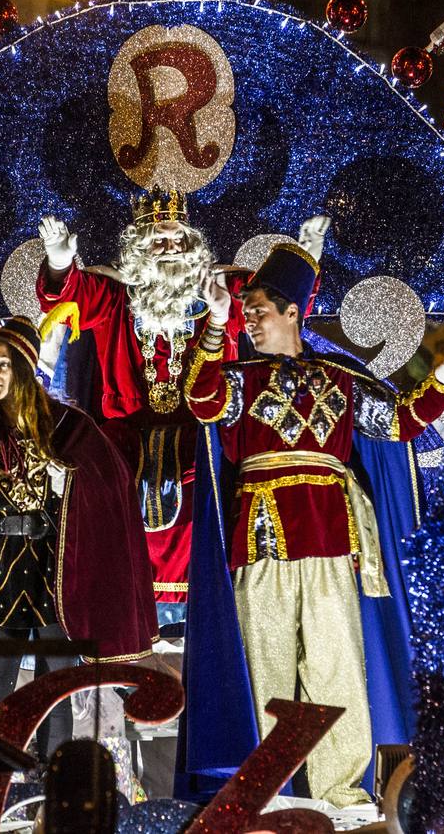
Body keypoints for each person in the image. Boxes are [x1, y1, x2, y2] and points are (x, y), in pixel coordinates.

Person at [181, 241, 444, 807]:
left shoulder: (340, 379)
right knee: (266, 670)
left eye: (258, 310)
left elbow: (398, 422)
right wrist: (214, 326)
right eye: (244, 311)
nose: (249, 321)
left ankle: (341, 795)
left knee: (336, 669)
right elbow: (200, 401)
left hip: (330, 539)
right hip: (261, 539)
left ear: (292, 313)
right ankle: (264, 792)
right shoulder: (236, 378)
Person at [36, 191, 328, 621]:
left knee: (206, 531)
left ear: (193, 245)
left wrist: (304, 255)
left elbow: (276, 300)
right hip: (128, 445)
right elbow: (69, 296)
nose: (170, 248)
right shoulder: (118, 297)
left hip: (204, 442)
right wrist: (60, 260)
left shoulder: (221, 290)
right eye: (158, 241)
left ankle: (209, 618)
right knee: (123, 535)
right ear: (139, 248)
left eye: (178, 240)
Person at [0, 317, 157, 761]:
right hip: (1, 570)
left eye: (2, 365)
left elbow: (111, 486)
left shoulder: (70, 427)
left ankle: (56, 781)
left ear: (24, 366)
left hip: (56, 566)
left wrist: (66, 483)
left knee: (57, 684)